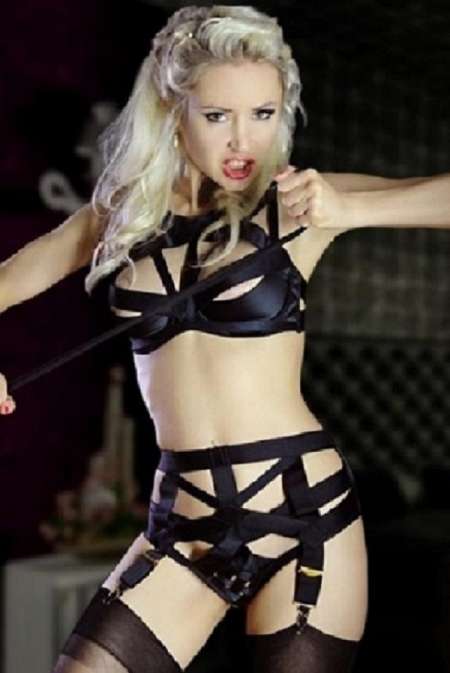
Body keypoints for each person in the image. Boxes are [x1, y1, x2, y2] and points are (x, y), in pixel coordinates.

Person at [1, 5, 450, 672]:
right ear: (174, 110)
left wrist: (354, 207)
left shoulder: (297, 204)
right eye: (218, 115)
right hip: (182, 526)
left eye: (263, 114)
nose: (244, 141)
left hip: (304, 514)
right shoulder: (118, 218)